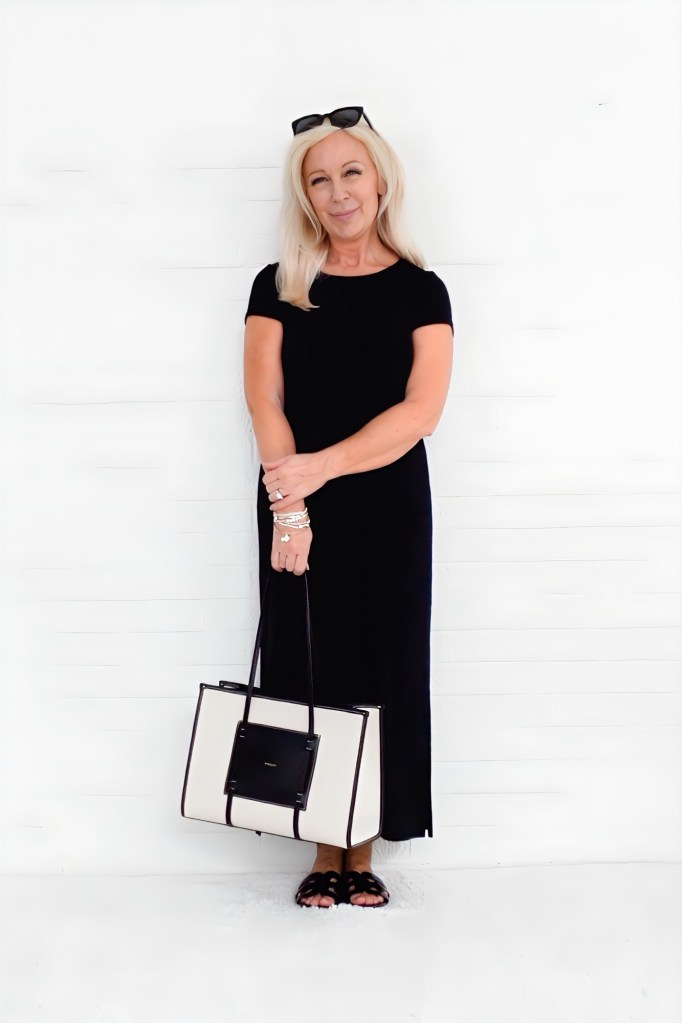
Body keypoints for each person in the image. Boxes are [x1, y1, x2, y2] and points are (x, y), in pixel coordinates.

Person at [243, 106, 453, 908]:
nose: (337, 192)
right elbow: (264, 396)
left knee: (382, 667)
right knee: (310, 663)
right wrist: (290, 503)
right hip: (292, 502)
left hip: (387, 504)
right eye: (318, 178)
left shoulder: (421, 289)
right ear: (305, 194)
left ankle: (362, 849)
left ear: (380, 177)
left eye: (350, 172)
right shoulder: (279, 284)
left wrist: (318, 470)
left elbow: (419, 412)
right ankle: (322, 847)